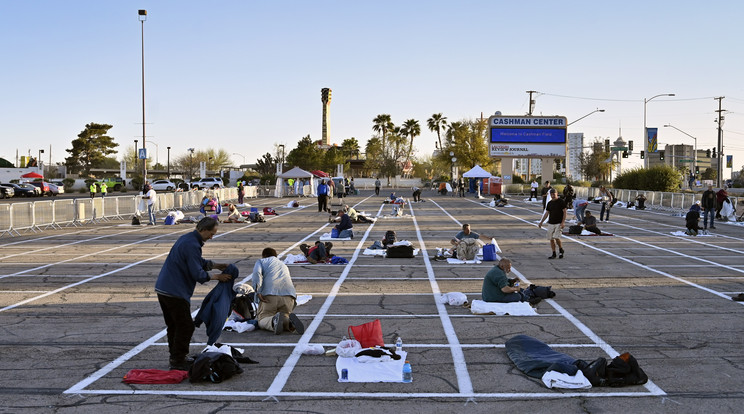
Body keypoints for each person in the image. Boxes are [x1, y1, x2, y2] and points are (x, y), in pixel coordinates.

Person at [154, 217, 232, 370]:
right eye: (211, 233)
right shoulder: (192, 244)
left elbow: (198, 262)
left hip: (164, 288)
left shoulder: (187, 239)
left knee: (174, 325)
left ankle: (175, 356)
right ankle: (178, 360)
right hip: (174, 291)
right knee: (185, 326)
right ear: (203, 229)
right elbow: (197, 273)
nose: (212, 237)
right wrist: (217, 277)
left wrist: (215, 265)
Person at [252, 247, 304, 335]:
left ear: (264, 255)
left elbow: (257, 273)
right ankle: (289, 323)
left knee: (263, 318)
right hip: (289, 297)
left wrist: (258, 291)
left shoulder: (261, 261)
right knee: (284, 316)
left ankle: (273, 321)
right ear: (276, 256)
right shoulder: (283, 264)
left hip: (270, 295)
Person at [538, 188, 567, 259]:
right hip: (551, 222)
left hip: (558, 223)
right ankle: (554, 253)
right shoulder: (550, 203)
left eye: (554, 194)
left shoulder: (561, 201)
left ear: (557, 194)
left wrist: (563, 222)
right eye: (551, 194)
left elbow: (565, 212)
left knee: (557, 237)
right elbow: (547, 213)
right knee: (551, 238)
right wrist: (541, 222)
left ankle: (560, 249)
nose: (553, 195)